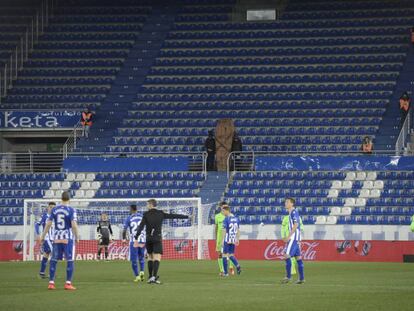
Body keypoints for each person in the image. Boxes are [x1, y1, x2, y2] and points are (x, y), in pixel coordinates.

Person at [134, 199, 189, 284]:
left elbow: (141, 226)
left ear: (151, 205)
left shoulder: (146, 214)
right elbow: (173, 216)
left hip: (148, 238)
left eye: (147, 204)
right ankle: (154, 277)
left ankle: (150, 277)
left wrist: (136, 237)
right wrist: (186, 217)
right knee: (157, 257)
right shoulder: (160, 213)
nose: (147, 206)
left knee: (150, 257)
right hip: (157, 238)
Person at [40, 191, 79, 290]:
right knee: (70, 260)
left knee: (53, 260)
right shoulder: (71, 210)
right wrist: (77, 236)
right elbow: (74, 225)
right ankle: (68, 283)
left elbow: (48, 224)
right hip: (67, 239)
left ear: (61, 198)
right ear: (69, 199)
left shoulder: (54, 209)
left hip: (56, 238)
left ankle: (51, 283)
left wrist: (43, 236)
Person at [281, 198, 305, 284]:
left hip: (293, 238)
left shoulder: (293, 212)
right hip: (296, 238)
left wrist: (288, 236)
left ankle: (288, 277)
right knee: (298, 258)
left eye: (287, 202)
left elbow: (296, 224)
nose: (285, 203)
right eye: (285, 202)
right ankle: (301, 278)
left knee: (286, 255)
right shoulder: (292, 212)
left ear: (292, 204)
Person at [123, 204, 146, 282]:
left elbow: (124, 230)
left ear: (131, 209)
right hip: (142, 240)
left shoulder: (129, 218)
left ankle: (137, 276)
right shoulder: (142, 216)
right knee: (141, 257)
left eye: (129, 209)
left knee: (134, 260)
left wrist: (123, 239)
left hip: (134, 241)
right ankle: (142, 271)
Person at [35, 202, 56, 278]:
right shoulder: (44, 216)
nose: (52, 209)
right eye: (51, 207)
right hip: (47, 238)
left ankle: (41, 273)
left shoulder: (56, 217)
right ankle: (51, 273)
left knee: (46, 255)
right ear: (48, 208)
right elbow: (37, 224)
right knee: (53, 254)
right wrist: (38, 234)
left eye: (54, 207)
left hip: (54, 239)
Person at [214, 201, 235, 276]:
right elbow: (216, 227)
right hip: (220, 238)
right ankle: (222, 270)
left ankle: (231, 267)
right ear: (220, 207)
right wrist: (216, 238)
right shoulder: (217, 216)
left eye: (226, 206)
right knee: (220, 254)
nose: (225, 208)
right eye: (223, 207)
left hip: (229, 237)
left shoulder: (231, 216)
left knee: (230, 254)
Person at [220, 204, 242, 277]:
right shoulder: (236, 219)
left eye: (223, 211)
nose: (222, 213)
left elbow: (224, 230)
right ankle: (237, 265)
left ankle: (226, 273)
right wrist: (237, 239)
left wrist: (222, 240)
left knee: (224, 255)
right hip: (233, 239)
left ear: (227, 211)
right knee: (231, 255)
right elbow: (238, 230)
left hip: (227, 239)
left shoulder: (226, 219)